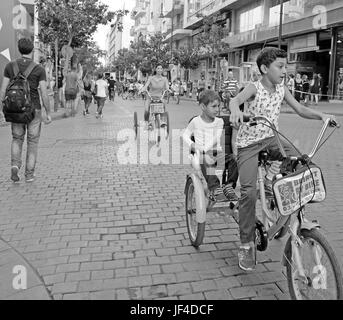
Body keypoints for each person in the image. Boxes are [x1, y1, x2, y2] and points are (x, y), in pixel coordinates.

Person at [229, 47, 336, 271]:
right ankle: (246, 244)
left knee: (304, 165)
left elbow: (299, 108)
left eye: (285, 66)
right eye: (280, 66)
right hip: (248, 144)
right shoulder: (254, 87)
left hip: (272, 139)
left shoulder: (282, 89)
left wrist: (321, 115)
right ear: (264, 68)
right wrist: (236, 112)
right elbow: (235, 100)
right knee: (248, 192)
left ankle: (292, 209)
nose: (284, 70)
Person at [0, 38, 52, 183]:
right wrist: (47, 113)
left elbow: (3, 90)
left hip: (15, 110)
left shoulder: (10, 66)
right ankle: (29, 175)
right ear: (32, 50)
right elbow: (43, 93)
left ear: (19, 49)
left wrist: (1, 109)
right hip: (34, 110)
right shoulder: (39, 69)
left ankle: (15, 165)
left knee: (17, 139)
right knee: (32, 142)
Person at [183, 90, 239, 202]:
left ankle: (228, 186)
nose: (217, 109)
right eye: (213, 106)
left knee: (234, 159)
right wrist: (192, 144)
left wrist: (204, 148)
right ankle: (215, 189)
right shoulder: (195, 121)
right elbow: (185, 135)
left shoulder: (219, 121)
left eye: (218, 106)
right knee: (204, 159)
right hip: (202, 155)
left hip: (216, 153)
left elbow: (216, 138)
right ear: (203, 106)